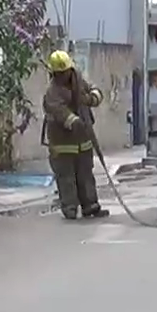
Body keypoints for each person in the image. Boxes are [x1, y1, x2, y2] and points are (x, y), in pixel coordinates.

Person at [41, 49, 109, 220]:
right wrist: (75, 121)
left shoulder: (79, 81)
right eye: (59, 73)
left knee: (86, 174)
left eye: (65, 72)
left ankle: (90, 206)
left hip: (83, 141)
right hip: (62, 143)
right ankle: (70, 208)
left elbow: (95, 91)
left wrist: (90, 99)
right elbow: (60, 112)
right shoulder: (52, 92)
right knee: (66, 178)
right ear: (54, 74)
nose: (64, 76)